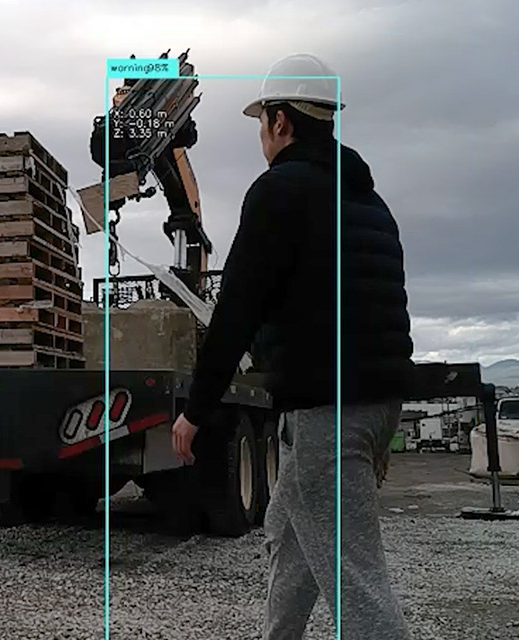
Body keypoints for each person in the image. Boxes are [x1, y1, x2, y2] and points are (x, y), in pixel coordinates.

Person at [170, 53, 415, 639]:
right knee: (288, 534)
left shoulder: (279, 191)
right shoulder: (367, 201)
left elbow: (236, 312)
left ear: (281, 121)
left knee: (353, 576)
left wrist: (195, 411)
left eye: (261, 122)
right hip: (374, 400)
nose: (260, 136)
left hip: (326, 408)